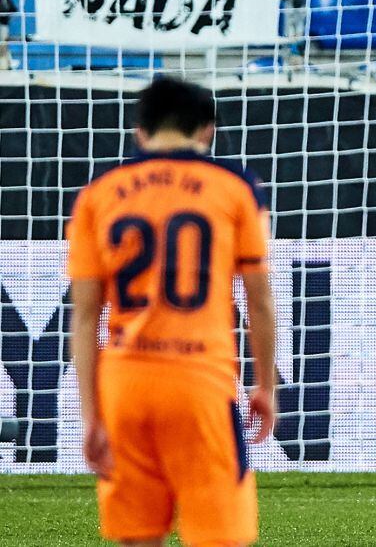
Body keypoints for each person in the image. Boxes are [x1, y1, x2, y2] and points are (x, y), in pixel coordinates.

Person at [69, 75, 278, 545]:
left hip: (126, 387)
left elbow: (84, 316)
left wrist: (91, 415)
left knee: (139, 535)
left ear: (139, 133)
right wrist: (265, 386)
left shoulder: (98, 193)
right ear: (207, 130)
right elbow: (259, 299)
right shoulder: (235, 187)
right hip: (199, 385)